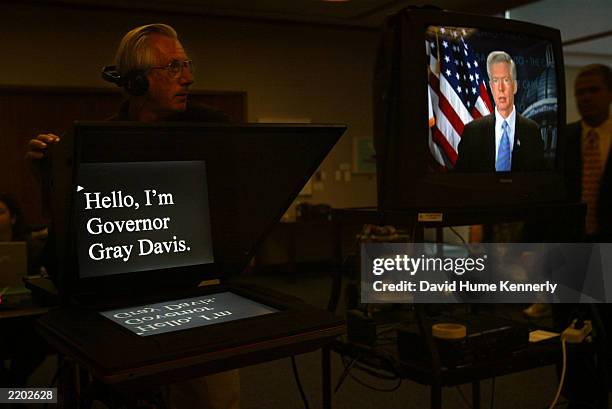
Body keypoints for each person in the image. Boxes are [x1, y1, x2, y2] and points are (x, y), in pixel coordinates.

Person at [26, 24, 239, 409]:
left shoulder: (213, 129)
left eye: (186, 64)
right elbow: (74, 240)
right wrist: (51, 181)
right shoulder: (97, 141)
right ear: (137, 82)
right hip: (122, 301)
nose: (188, 78)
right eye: (173, 67)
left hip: (196, 294)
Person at [454, 51, 545, 172]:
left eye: (506, 80)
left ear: (515, 86)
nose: (500, 88)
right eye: (496, 81)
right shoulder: (472, 132)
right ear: (491, 87)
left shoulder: (532, 131)